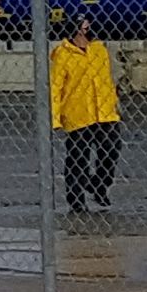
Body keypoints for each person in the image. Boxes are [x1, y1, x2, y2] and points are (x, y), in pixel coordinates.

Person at [50, 11, 121, 212]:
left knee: (111, 152)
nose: (89, 29)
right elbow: (56, 88)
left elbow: (107, 80)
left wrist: (114, 103)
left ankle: (99, 184)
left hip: (105, 112)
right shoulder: (63, 54)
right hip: (78, 113)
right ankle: (76, 199)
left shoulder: (99, 49)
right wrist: (55, 118)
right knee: (78, 158)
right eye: (85, 26)